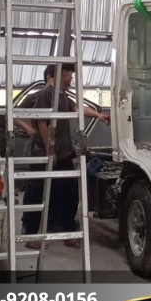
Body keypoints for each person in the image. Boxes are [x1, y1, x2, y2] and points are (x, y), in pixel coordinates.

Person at [25, 64, 109, 249]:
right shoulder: (46, 94)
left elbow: (78, 109)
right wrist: (50, 149)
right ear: (63, 73)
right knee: (38, 195)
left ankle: (69, 233)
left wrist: (98, 115)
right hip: (47, 154)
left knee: (69, 194)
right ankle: (30, 236)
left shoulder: (62, 95)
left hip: (63, 154)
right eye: (70, 75)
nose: (72, 79)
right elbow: (41, 121)